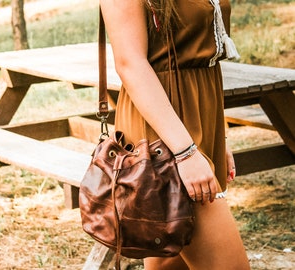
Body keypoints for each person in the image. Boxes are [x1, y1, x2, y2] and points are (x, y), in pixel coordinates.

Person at [100, 0, 250, 269]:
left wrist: (218, 137)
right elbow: (130, 63)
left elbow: (202, 60)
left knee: (170, 265)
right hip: (163, 135)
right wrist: (185, 151)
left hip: (195, 121)